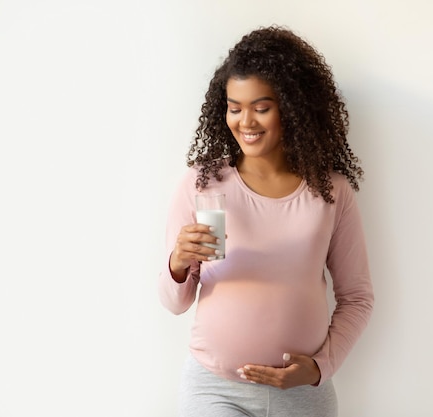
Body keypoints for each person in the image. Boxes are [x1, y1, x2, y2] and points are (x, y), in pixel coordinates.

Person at [159, 25, 374, 417]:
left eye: (261, 107)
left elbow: (357, 297)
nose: (246, 122)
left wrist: (319, 368)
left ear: (291, 107)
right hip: (215, 390)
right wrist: (177, 265)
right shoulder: (202, 183)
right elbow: (175, 303)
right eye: (234, 107)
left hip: (304, 395)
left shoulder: (331, 192)